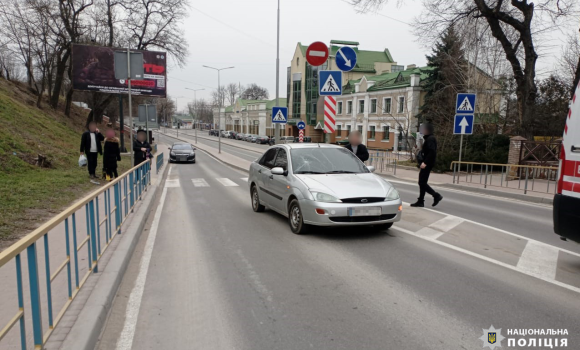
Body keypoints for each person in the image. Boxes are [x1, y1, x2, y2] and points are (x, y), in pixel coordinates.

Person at [411, 123, 443, 207]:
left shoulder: (430, 139)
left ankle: (436, 195)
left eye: (423, 129)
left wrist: (425, 162)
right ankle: (421, 201)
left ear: (428, 130)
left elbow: (432, 152)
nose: (422, 131)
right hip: (426, 163)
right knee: (422, 182)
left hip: (426, 164)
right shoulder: (429, 138)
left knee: (422, 182)